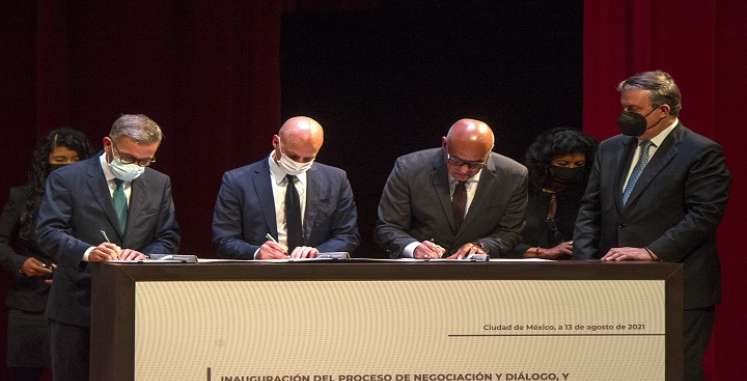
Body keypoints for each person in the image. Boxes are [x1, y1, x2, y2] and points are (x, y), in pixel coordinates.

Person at [573, 70, 731, 381]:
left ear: (663, 110)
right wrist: (585, 266)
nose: (624, 115)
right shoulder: (610, 148)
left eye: (634, 109)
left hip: (680, 285)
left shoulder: (701, 152)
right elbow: (590, 209)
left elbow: (704, 216)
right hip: (617, 285)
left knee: (679, 376)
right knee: (624, 377)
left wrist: (651, 252)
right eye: (623, 107)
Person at [36, 114, 180, 381]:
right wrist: (88, 251)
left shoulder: (158, 183)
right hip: (76, 307)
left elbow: (167, 237)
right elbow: (48, 232)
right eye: (129, 158)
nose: (137, 167)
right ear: (108, 144)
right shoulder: (67, 179)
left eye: (146, 161)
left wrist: (144, 256)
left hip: (135, 309)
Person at [0, 128, 92, 381]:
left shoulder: (93, 199)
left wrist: (71, 271)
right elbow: (1, 242)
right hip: (29, 305)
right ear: (46, 161)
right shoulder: (22, 196)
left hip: (76, 301)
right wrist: (19, 262)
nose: (65, 167)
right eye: (59, 159)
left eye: (73, 160)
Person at [375, 118, 528, 259]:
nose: (464, 170)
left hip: (480, 275)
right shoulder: (409, 168)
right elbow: (389, 226)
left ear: (490, 152)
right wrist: (414, 248)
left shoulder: (513, 175)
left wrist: (483, 246)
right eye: (456, 161)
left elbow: (510, 231)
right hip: (420, 271)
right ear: (444, 144)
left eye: (476, 164)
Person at [212, 116, 359, 259]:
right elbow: (224, 239)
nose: (299, 163)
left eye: (308, 158)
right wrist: (256, 252)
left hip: (316, 276)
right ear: (276, 142)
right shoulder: (238, 181)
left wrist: (316, 253)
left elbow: (347, 236)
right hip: (260, 276)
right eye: (293, 156)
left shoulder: (336, 179)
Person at [507, 127, 596, 259]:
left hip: (572, 268)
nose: (571, 169)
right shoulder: (520, 189)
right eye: (563, 163)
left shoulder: (586, 194)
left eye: (578, 164)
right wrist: (542, 252)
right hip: (523, 267)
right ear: (545, 163)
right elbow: (502, 237)